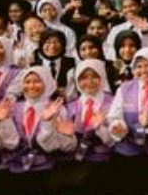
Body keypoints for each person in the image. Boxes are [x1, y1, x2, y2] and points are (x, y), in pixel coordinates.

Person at [105, 47, 148, 194]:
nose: (143, 70)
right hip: (128, 149)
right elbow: (114, 115)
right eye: (138, 66)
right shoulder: (124, 88)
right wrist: (118, 126)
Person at [45, 59, 116, 195]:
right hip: (76, 162)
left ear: (102, 77)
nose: (89, 82)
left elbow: (115, 141)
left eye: (94, 76)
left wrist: (100, 128)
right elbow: (66, 145)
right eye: (83, 77)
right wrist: (67, 135)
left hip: (104, 162)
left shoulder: (113, 103)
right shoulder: (71, 106)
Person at [3, 66, 78, 195]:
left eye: (37, 81)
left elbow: (54, 146)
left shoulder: (57, 108)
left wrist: (48, 123)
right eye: (27, 82)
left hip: (47, 170)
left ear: (47, 82)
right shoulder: (14, 108)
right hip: (17, 167)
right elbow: (8, 143)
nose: (31, 86)